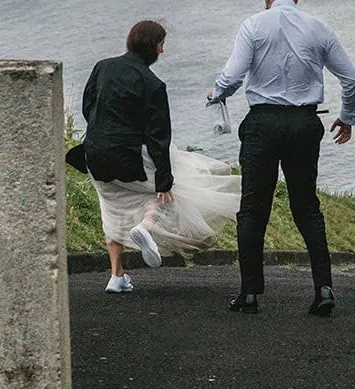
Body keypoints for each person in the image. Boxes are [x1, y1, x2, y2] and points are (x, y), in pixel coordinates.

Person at [208, 0, 355, 316]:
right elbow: (353, 80)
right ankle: (324, 289)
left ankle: (249, 292)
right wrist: (347, 117)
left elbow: (233, 76)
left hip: (263, 124)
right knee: (306, 206)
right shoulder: (319, 28)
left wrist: (217, 93)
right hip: (305, 123)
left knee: (253, 208)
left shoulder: (253, 25)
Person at [82, 19, 241, 294]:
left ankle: (116, 276)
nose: (163, 51)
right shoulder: (153, 83)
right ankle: (146, 226)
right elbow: (158, 137)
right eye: (162, 44)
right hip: (128, 158)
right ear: (154, 48)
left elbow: (88, 106)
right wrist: (165, 180)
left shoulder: (102, 67)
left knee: (112, 207)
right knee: (174, 185)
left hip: (94, 156)